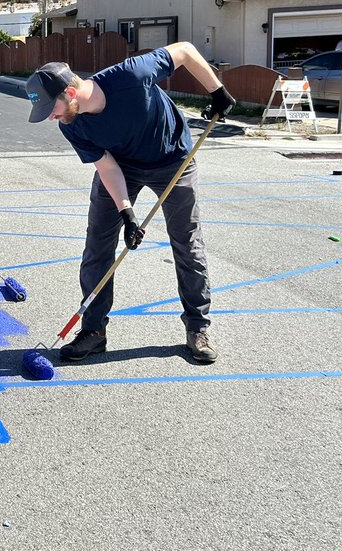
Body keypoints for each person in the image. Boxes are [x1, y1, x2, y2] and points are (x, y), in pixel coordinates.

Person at [25, 43, 235, 364]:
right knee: (98, 243)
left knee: (186, 243)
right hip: (122, 166)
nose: (51, 118)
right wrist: (127, 212)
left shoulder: (131, 75)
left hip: (173, 160)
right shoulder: (72, 123)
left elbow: (186, 52)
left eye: (50, 109)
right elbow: (107, 166)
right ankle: (93, 332)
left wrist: (216, 90)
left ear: (70, 91)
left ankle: (198, 327)